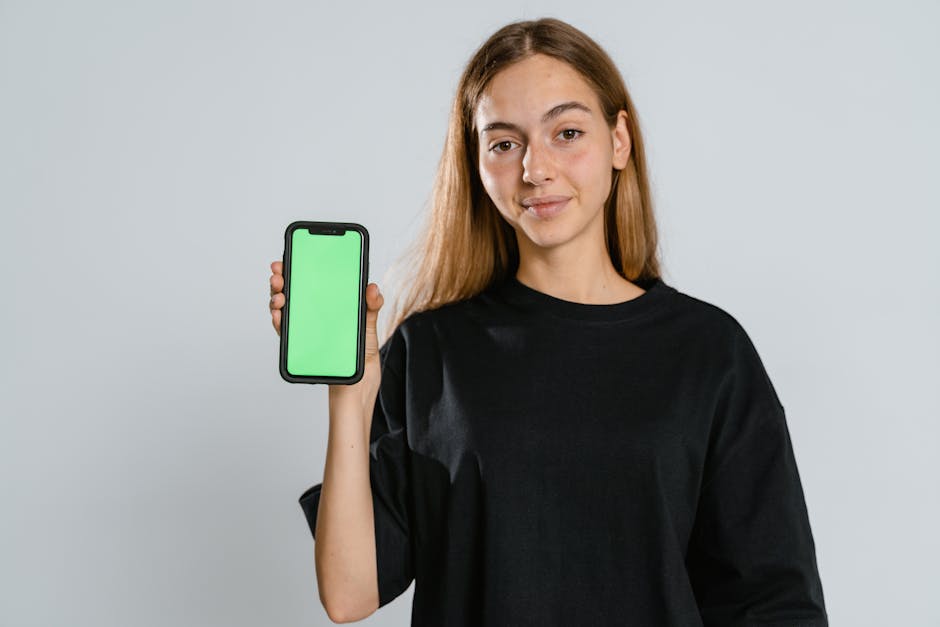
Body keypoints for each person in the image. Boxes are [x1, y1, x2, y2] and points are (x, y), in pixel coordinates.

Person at [268, 17, 828, 626]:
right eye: (504, 143)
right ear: (477, 164)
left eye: (566, 132)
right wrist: (350, 396)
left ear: (619, 140)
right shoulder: (433, 351)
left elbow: (774, 603)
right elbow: (350, 595)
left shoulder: (708, 352)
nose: (535, 169)